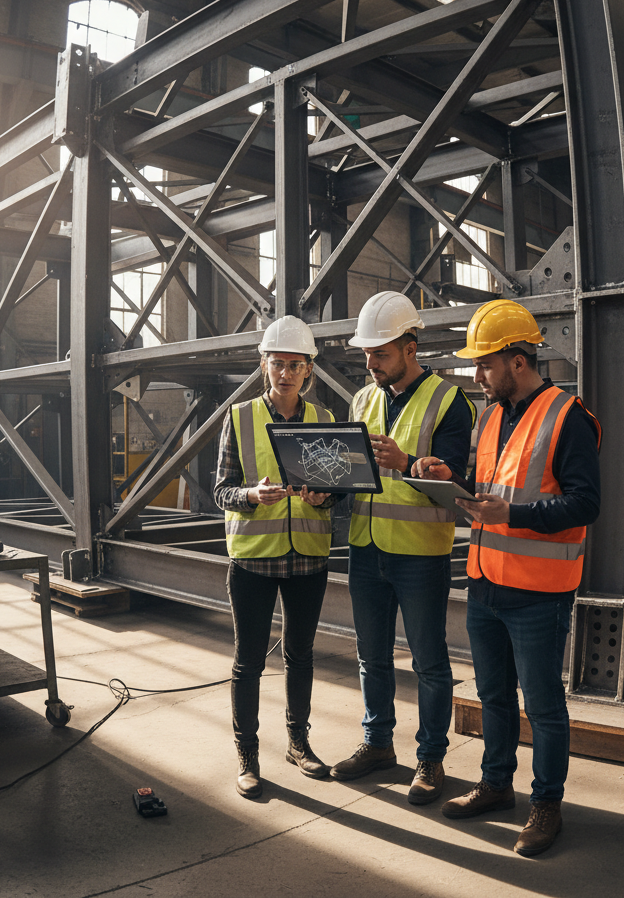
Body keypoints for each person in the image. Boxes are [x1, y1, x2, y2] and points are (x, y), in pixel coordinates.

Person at [414, 299, 600, 855]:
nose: (478, 375)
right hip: (486, 583)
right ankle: (496, 784)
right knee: (494, 695)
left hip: (539, 593)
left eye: (486, 364)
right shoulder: (493, 414)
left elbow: (585, 504)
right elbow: (490, 483)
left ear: (518, 361)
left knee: (543, 705)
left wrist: (512, 515)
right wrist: (455, 478)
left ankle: (547, 804)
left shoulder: (570, 417)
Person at [330, 291, 475, 805]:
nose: (370, 365)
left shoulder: (449, 401)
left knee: (430, 662)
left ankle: (430, 758)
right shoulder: (362, 399)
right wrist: (326, 484)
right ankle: (377, 744)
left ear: (410, 347)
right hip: (365, 547)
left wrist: (409, 461)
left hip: (419, 552)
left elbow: (459, 484)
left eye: (381, 354)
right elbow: (353, 474)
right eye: (367, 355)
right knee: (372, 657)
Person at [214, 315, 338, 800]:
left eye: (295, 365)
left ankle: (298, 744)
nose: (285, 373)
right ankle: (247, 754)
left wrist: (322, 499)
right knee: (248, 661)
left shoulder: (326, 422)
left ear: (308, 370)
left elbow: (339, 491)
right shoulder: (240, 417)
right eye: (277, 364)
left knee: (300, 656)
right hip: (254, 561)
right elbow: (220, 490)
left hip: (307, 558)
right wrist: (250, 495)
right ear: (263, 365)